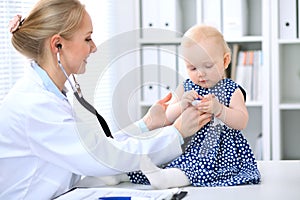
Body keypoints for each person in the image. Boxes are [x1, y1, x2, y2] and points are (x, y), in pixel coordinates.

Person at [0, 1, 212, 199]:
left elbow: (95, 148)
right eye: (87, 38)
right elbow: (105, 157)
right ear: (57, 45)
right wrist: (177, 132)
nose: (94, 47)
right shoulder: (36, 106)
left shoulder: (47, 95)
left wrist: (146, 125)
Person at [126, 24, 261, 188]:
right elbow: (167, 116)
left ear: (225, 61)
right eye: (192, 68)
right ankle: (116, 175)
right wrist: (182, 105)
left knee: (194, 167)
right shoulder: (186, 86)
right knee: (159, 160)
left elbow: (242, 121)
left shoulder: (231, 89)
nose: (200, 73)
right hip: (186, 143)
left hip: (219, 151)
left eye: (208, 66)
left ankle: (167, 180)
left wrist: (220, 110)